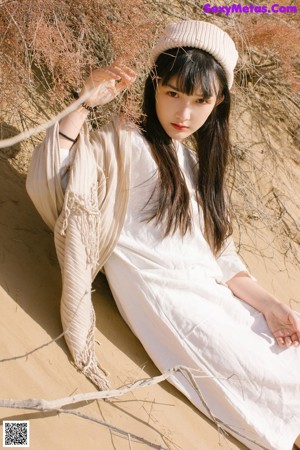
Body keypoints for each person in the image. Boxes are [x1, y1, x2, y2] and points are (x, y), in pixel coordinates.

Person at [26, 20, 300, 450]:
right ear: (153, 87)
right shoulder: (122, 143)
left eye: (199, 100)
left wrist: (272, 306)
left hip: (229, 308)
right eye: (172, 93)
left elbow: (221, 258)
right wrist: (83, 102)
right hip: (187, 320)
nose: (183, 114)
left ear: (218, 103)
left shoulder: (193, 166)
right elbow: (53, 184)